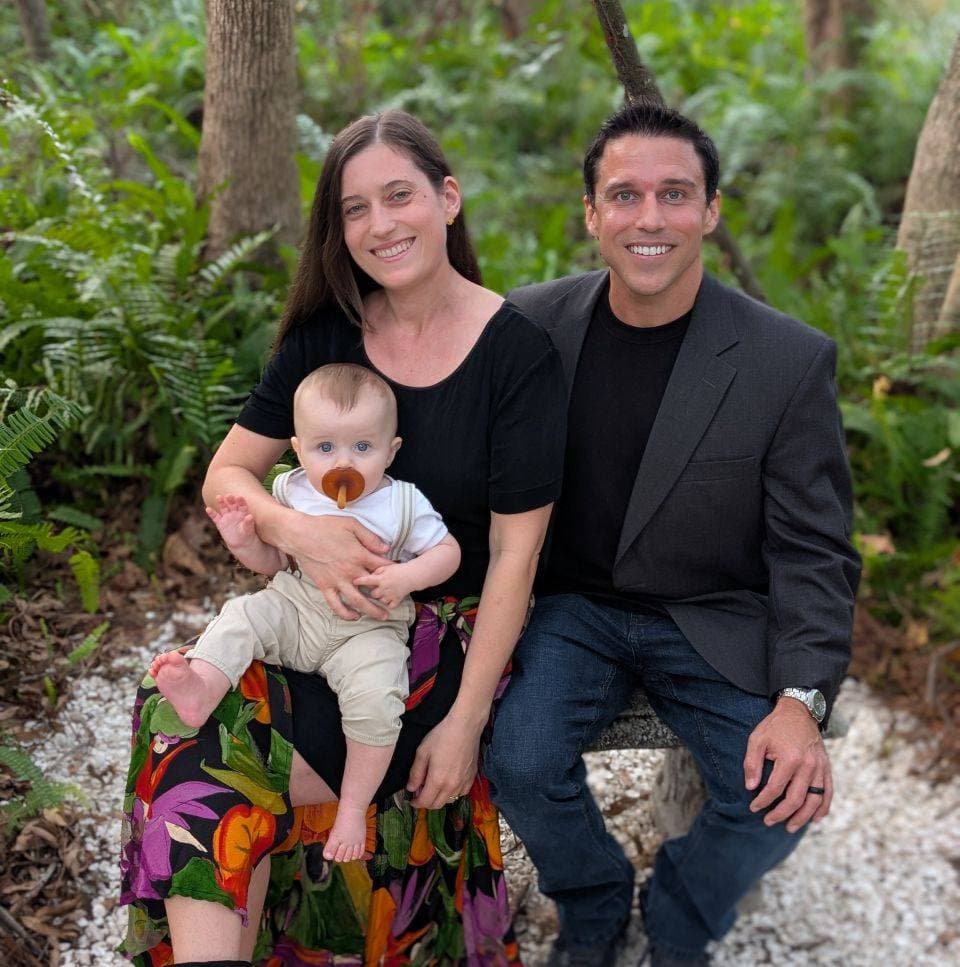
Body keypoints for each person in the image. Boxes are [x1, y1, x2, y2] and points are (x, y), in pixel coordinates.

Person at [119, 109, 566, 966]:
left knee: (211, 760)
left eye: (399, 196)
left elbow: (515, 559)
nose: (379, 224)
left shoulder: (519, 356)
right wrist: (297, 530)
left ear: (447, 197)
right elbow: (228, 475)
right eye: (354, 208)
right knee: (176, 722)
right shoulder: (327, 339)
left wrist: (468, 720)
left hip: (432, 639)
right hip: (305, 609)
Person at [486, 101, 861, 967]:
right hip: (571, 609)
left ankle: (682, 913)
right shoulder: (530, 326)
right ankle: (595, 903)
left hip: (715, 615)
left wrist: (802, 701)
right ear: (591, 213)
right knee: (517, 757)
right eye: (624, 195)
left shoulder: (785, 359)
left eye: (674, 194)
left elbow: (814, 548)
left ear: (711, 209)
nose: (649, 218)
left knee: (777, 797)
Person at [149, 363, 462, 863]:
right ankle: (202, 686)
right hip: (295, 607)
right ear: (298, 450)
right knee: (242, 615)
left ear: (391, 450)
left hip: (369, 625)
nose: (345, 462)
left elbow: (448, 553)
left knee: (379, 700)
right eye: (325, 448)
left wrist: (405, 576)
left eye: (363, 447)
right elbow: (272, 564)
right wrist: (243, 541)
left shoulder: (402, 503)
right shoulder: (292, 492)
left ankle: (353, 808)